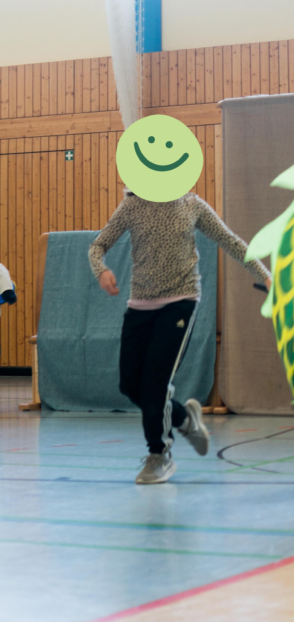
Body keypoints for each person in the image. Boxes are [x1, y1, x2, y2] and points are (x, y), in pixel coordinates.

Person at [89, 189, 271, 485]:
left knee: (155, 384)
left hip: (181, 301)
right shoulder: (132, 204)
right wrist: (101, 270)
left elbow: (230, 240)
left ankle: (160, 454)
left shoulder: (192, 204)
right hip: (140, 303)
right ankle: (185, 418)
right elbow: (98, 246)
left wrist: (264, 274)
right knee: (130, 384)